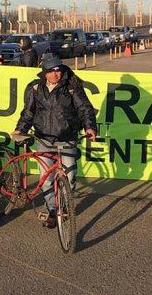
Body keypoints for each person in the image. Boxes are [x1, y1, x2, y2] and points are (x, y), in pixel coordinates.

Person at [14, 54, 97, 228]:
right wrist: (21, 128)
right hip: (43, 139)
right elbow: (28, 112)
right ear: (44, 72)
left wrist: (90, 127)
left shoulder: (72, 86)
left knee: (70, 176)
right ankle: (52, 210)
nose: (55, 74)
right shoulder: (35, 88)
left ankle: (64, 207)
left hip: (67, 139)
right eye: (50, 71)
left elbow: (84, 109)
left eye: (58, 70)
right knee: (46, 179)